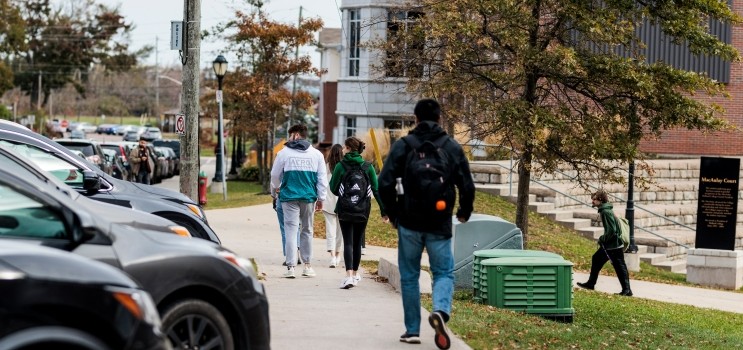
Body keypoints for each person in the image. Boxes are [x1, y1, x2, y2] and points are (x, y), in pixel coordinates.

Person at [378, 98, 475, 349]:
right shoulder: (451, 146)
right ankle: (440, 312)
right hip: (439, 221)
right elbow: (466, 183)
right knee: (443, 272)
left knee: (409, 276)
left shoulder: (404, 145)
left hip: (409, 221)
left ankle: (412, 330)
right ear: (440, 118)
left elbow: (384, 182)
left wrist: (392, 213)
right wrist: (464, 211)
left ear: (416, 118)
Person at [270, 124, 327, 278]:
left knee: (290, 230)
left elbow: (275, 175)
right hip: (308, 197)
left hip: (288, 197)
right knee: (307, 230)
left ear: (295, 135)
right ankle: (307, 266)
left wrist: (276, 189)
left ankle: (291, 267)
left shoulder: (283, 153)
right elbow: (322, 179)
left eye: (290, 135)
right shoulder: (316, 155)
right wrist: (321, 198)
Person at [329, 137, 386, 289]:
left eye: (344, 146)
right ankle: (354, 274)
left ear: (348, 148)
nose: (342, 149)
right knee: (357, 242)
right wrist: (383, 211)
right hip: (363, 209)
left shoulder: (341, 166)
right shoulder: (368, 167)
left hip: (345, 208)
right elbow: (376, 189)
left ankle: (348, 276)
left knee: (347, 241)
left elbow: (333, 188)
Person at [577, 190, 633, 296]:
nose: (592, 202)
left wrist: (602, 238)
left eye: (594, 199)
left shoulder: (605, 212)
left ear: (600, 200)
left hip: (613, 245)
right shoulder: (605, 210)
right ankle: (591, 283)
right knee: (597, 259)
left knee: (619, 266)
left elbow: (612, 230)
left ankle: (627, 290)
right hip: (610, 244)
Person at [323, 144, 344, 268]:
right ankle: (337, 255)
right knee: (340, 231)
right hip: (342, 202)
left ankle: (332, 257)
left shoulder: (327, 167)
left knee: (330, 230)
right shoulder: (343, 167)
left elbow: (322, 182)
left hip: (328, 202)